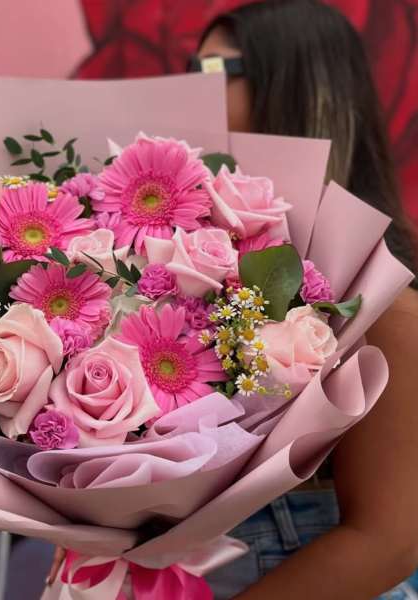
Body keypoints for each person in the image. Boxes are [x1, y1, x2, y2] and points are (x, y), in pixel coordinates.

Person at [193, 1, 418, 598]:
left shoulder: (385, 294)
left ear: (296, 87)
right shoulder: (182, 266)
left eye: (213, 71)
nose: (189, 91)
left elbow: (387, 541)